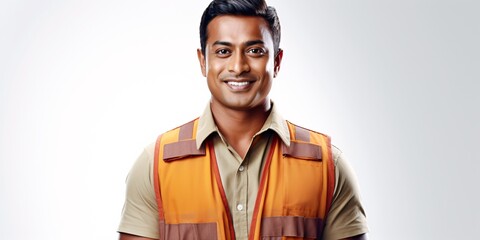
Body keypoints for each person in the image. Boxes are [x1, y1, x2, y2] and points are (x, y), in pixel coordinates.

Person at [118, 0, 368, 239]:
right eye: (223, 51)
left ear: (277, 62)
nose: (238, 66)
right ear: (203, 61)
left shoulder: (328, 166)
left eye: (255, 51)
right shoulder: (156, 165)